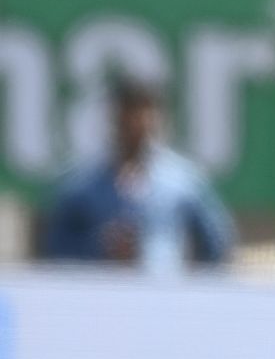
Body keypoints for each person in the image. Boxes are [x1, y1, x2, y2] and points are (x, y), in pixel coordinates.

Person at [40, 78, 235, 273]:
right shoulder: (82, 182)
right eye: (128, 113)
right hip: (99, 293)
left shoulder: (182, 181)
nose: (136, 124)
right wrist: (96, 248)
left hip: (163, 294)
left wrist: (192, 286)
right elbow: (55, 247)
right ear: (115, 117)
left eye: (144, 114)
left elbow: (216, 241)